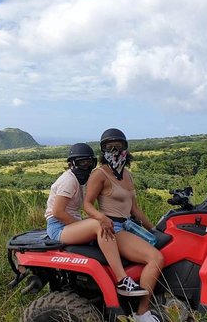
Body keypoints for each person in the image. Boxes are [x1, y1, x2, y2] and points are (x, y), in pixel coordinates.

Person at [45, 142, 147, 297]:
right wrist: (84, 225)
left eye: (89, 163)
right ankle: (122, 280)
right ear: (72, 163)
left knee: (99, 226)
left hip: (68, 223)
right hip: (58, 226)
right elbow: (58, 212)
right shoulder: (69, 180)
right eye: (81, 163)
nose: (85, 166)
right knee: (99, 224)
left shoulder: (81, 180)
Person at [84, 129, 165, 322]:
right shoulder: (99, 174)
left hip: (129, 225)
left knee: (166, 246)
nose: (113, 150)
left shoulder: (127, 175)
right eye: (108, 146)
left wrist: (156, 229)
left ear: (125, 149)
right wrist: (101, 218)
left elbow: (134, 209)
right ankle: (142, 313)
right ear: (102, 150)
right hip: (114, 228)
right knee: (156, 258)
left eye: (118, 146)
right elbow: (87, 204)